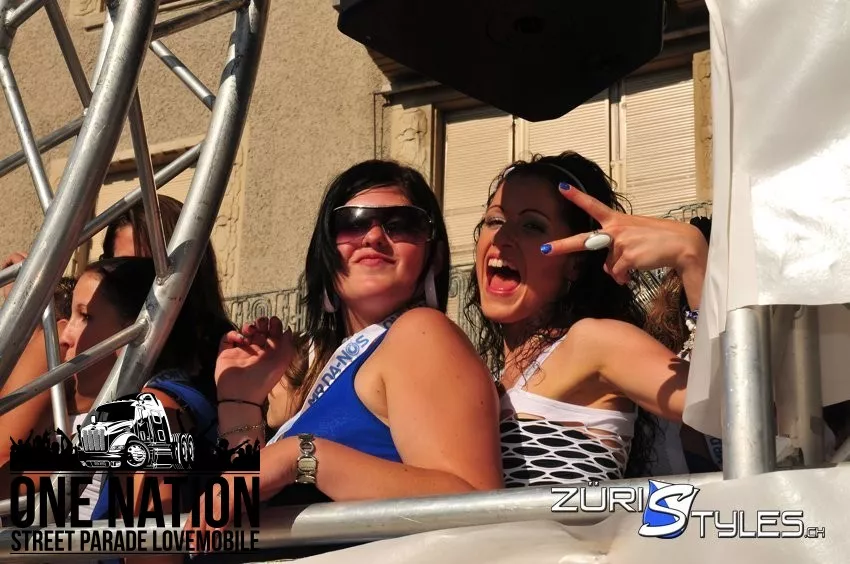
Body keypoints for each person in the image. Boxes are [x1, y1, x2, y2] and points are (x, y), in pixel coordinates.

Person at [191, 160, 503, 535]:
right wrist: (240, 400)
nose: (373, 236)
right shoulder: (328, 371)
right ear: (325, 253)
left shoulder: (421, 332)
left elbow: (476, 505)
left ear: (432, 257)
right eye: (351, 223)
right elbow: (230, 515)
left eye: (401, 224)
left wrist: (303, 456)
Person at [466, 151, 693, 487]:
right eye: (495, 221)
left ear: (575, 263)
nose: (503, 238)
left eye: (532, 225)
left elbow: (738, 408)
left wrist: (692, 256)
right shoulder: (488, 377)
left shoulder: (593, 341)